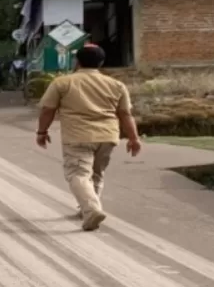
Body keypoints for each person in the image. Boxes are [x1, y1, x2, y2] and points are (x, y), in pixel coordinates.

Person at [35, 44, 141, 231]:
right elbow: (125, 114)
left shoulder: (63, 83)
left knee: (78, 174)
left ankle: (91, 209)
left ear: (77, 61)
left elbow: (47, 109)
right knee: (96, 174)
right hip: (108, 136)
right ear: (101, 62)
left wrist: (42, 132)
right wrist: (134, 138)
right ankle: (88, 207)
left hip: (78, 136)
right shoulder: (116, 85)